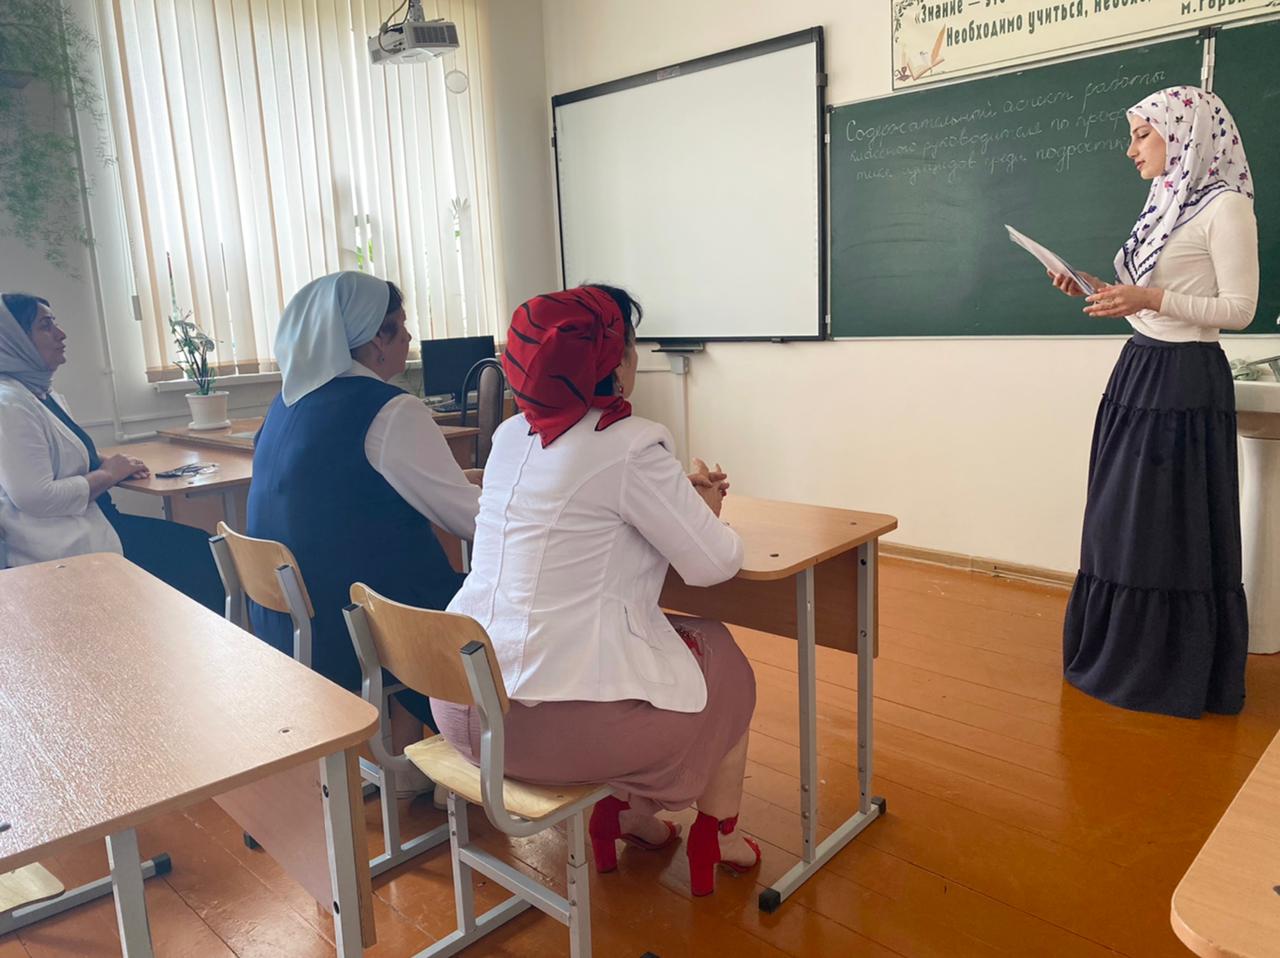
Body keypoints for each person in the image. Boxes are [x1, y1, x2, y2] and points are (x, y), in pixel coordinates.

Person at [431, 285, 760, 896]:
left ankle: (630, 818)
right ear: (616, 360)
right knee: (722, 658)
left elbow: (586, 515)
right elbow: (713, 565)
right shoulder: (632, 444)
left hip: (457, 702)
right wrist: (706, 511)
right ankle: (718, 834)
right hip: (540, 732)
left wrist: (676, 500)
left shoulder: (510, 436)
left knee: (637, 656)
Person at [1048, 87, 1257, 718]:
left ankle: (1164, 673)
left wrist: (1148, 298)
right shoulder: (1166, 202)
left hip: (1185, 381)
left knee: (1167, 528)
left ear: (1184, 135)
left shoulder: (1226, 207)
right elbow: (1148, 299)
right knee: (1121, 523)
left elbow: (1239, 310)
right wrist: (1098, 288)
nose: (1131, 149)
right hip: (1139, 370)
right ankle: (1116, 655)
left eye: (1142, 134)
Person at [246, 271, 481, 789]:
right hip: (363, 629)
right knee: (489, 601)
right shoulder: (389, 410)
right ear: (377, 338)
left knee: (405, 570)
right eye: (402, 326)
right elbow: (469, 519)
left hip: (292, 624)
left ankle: (411, 767)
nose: (410, 338)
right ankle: (472, 756)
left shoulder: (283, 405)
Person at [0, 292, 223, 610]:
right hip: (62, 543)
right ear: (14, 340)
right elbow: (36, 497)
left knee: (198, 547)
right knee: (200, 550)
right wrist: (107, 474)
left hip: (95, 519)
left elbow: (63, 456)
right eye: (45, 326)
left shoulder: (40, 393)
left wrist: (111, 464)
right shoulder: (9, 404)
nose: (61, 334)